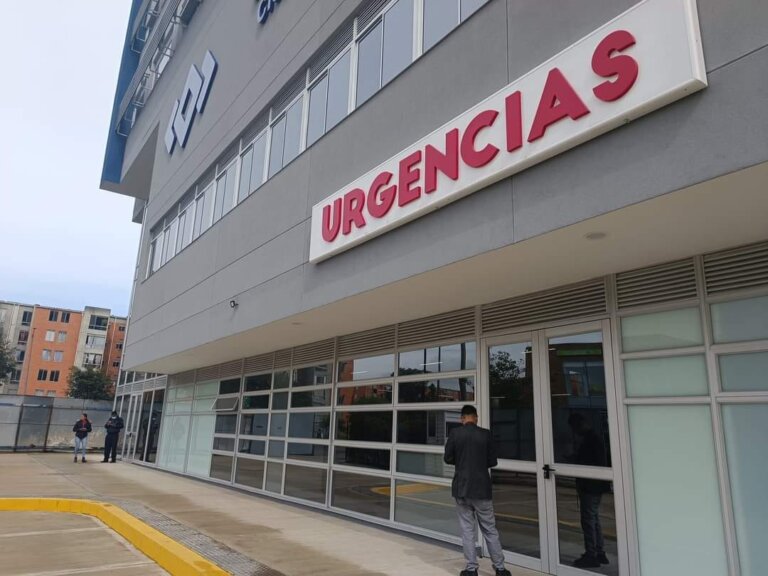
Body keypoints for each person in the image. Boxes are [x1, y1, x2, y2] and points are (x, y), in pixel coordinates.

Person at [444, 405, 511, 576]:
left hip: (461, 488)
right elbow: (493, 461)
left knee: (467, 530)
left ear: (462, 418)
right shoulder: (486, 434)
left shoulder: (455, 434)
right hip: (482, 489)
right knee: (490, 529)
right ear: (476, 418)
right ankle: (500, 568)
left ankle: (471, 569)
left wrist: (462, 461)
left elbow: (448, 458)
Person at [568, 412, 611, 569]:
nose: (575, 431)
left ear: (580, 424)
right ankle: (599, 552)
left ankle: (591, 554)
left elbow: (592, 462)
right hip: (594, 485)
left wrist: (575, 459)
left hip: (591, 486)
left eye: (575, 427)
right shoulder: (593, 438)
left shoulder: (591, 440)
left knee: (588, 520)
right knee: (594, 519)